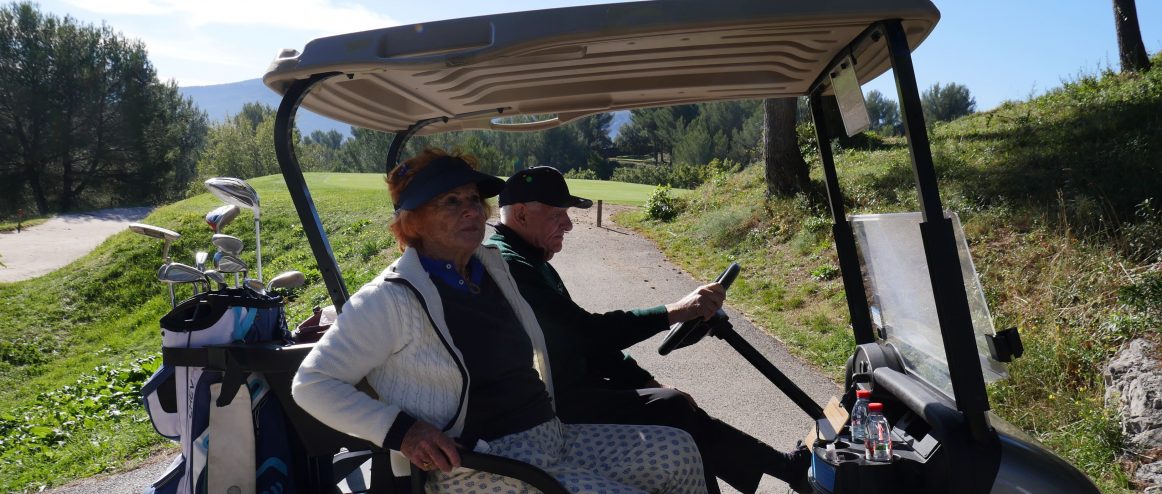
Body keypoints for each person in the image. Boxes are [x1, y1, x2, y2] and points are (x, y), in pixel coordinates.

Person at [292, 149, 707, 494]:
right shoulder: (389, 299)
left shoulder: (489, 267)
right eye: (450, 202)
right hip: (478, 465)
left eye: (473, 199)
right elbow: (311, 383)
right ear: (412, 221)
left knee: (679, 450)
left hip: (551, 436)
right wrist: (403, 432)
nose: (471, 211)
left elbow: (569, 335)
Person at [486, 166, 812, 494]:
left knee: (674, 403)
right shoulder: (513, 265)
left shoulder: (531, 261)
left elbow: (587, 343)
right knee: (673, 407)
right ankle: (782, 468)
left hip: (572, 389)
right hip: (552, 405)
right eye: (558, 215)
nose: (569, 225)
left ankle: (783, 467)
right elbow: (588, 333)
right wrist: (675, 311)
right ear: (521, 215)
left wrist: (645, 380)